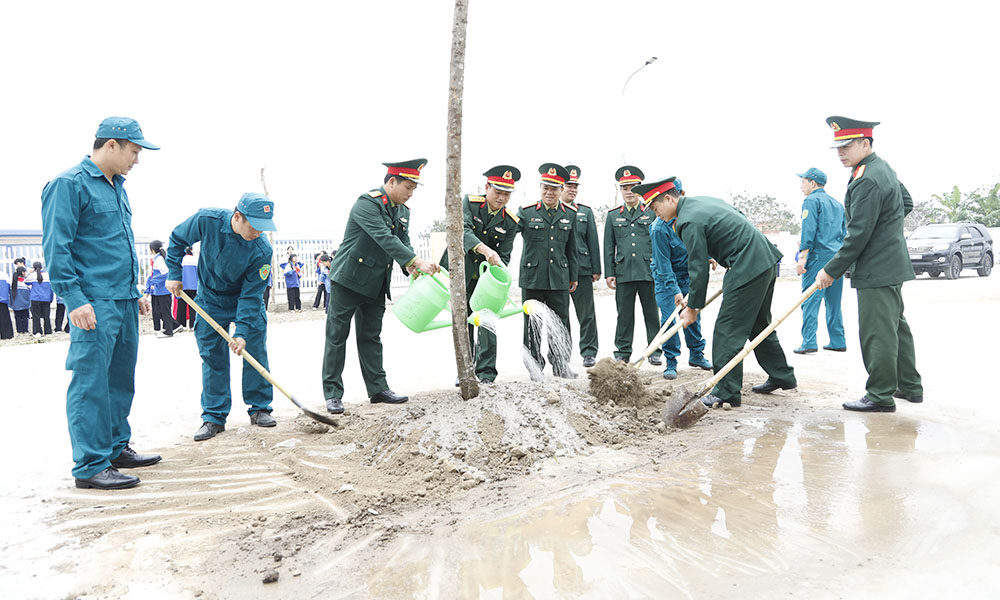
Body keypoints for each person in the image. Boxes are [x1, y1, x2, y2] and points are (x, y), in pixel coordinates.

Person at [40, 116, 161, 490]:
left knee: (120, 380)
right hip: (93, 302)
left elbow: (114, 245)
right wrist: (73, 299)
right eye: (134, 152)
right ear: (111, 145)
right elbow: (57, 249)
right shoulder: (68, 185)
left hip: (123, 300)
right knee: (91, 383)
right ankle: (90, 464)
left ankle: (114, 447)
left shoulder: (118, 187)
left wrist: (135, 291)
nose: (136, 160)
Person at [637, 176, 796, 409]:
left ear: (669, 199)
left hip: (747, 265)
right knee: (758, 324)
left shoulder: (686, 221)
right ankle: (782, 375)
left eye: (655, 207)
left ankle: (727, 391)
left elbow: (698, 267)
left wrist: (692, 309)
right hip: (765, 259)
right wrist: (695, 296)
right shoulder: (702, 202)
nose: (655, 214)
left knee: (727, 330)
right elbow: (734, 222)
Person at [815, 116, 922, 412]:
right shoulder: (880, 168)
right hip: (890, 263)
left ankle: (879, 395)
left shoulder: (868, 179)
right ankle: (910, 386)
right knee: (895, 327)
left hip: (877, 267)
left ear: (866, 143)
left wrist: (830, 270)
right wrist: (887, 230)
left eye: (847, 146)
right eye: (838, 148)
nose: (841, 153)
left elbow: (857, 235)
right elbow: (906, 202)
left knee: (878, 333)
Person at [322, 159, 439, 414]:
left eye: (413, 190)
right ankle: (332, 393)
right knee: (336, 336)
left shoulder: (403, 212)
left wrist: (411, 265)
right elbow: (383, 237)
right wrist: (416, 260)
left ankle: (377, 389)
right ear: (391, 181)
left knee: (371, 337)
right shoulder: (368, 203)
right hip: (348, 280)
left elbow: (402, 242)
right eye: (407, 188)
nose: (410, 194)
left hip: (376, 283)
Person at [166, 193, 277, 440]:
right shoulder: (208, 220)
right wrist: (174, 273)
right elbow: (177, 237)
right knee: (212, 355)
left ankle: (259, 407)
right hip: (210, 299)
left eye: (264, 227)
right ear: (238, 217)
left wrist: (242, 334)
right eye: (255, 226)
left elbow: (251, 297)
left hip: (243, 298)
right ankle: (214, 416)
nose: (259, 232)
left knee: (254, 350)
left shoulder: (261, 250)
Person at [440, 165, 521, 384]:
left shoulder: (511, 222)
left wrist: (498, 284)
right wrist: (485, 250)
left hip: (486, 281)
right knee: (463, 321)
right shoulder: (469, 203)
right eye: (498, 192)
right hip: (461, 272)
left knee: (487, 321)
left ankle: (486, 373)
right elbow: (461, 231)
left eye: (507, 194)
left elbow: (504, 256)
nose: (502, 198)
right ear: (487, 187)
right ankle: (465, 371)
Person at [517, 163, 579, 381]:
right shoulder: (526, 213)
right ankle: (534, 368)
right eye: (545, 187)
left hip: (559, 279)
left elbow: (572, 248)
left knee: (561, 324)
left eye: (554, 188)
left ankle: (561, 365)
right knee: (532, 325)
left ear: (561, 190)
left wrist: (573, 276)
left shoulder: (570, 214)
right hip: (532, 279)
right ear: (540, 188)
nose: (549, 192)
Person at [648, 179, 713, 379]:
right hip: (666, 278)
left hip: (687, 275)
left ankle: (696, 354)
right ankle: (671, 361)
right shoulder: (659, 227)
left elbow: (696, 243)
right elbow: (663, 264)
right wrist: (674, 290)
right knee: (669, 319)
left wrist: (708, 256)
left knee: (693, 314)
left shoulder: (687, 218)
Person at [605, 166, 661, 364]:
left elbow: (659, 242)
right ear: (620, 190)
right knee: (624, 315)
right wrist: (609, 273)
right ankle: (622, 351)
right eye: (624, 188)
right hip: (624, 272)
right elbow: (609, 247)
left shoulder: (651, 213)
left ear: (640, 189)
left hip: (648, 270)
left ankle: (654, 350)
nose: (628, 191)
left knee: (652, 313)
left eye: (632, 187)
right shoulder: (613, 216)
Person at [793, 168, 846, 354]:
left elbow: (809, 231)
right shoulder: (838, 204)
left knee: (810, 299)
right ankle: (838, 340)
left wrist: (802, 258)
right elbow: (844, 233)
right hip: (837, 257)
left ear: (812, 183)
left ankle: (808, 341)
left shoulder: (811, 201)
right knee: (834, 301)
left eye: (803, 182)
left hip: (817, 257)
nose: (801, 186)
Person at [561, 165, 601, 368]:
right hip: (559, 270)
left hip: (583, 268)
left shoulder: (584, 212)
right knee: (562, 315)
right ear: (560, 186)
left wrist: (596, 269)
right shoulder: (554, 211)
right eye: (569, 185)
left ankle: (589, 351)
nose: (573, 189)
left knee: (586, 313)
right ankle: (563, 353)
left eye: (575, 186)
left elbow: (593, 241)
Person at [145, 240, 180, 338]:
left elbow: (165, 273)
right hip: (158, 289)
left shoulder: (159, 259)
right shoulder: (157, 259)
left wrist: (153, 281)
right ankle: (175, 326)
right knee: (158, 310)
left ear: (152, 250)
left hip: (163, 289)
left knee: (165, 311)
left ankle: (169, 331)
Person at [27, 261, 54, 336]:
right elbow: (51, 288)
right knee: (46, 316)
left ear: (34, 268)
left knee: (36, 316)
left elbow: (26, 281)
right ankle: (48, 331)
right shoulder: (48, 275)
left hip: (35, 298)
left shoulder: (32, 275)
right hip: (46, 298)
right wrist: (51, 298)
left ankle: (37, 331)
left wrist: (30, 272)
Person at [174, 246, 198, 329]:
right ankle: (193, 325)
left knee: (181, 306)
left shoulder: (181, 260)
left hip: (182, 286)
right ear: (191, 250)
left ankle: (181, 324)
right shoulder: (195, 259)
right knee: (194, 306)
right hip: (194, 286)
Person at [10, 267, 31, 333]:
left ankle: (19, 330)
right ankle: (25, 330)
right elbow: (29, 294)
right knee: (25, 317)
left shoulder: (13, 284)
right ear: (22, 273)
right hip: (25, 304)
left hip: (16, 304)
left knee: (18, 318)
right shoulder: (25, 283)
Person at [0, 271, 12, 339]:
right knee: (4, 318)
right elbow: (9, 287)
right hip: (3, 299)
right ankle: (7, 335)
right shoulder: (4, 275)